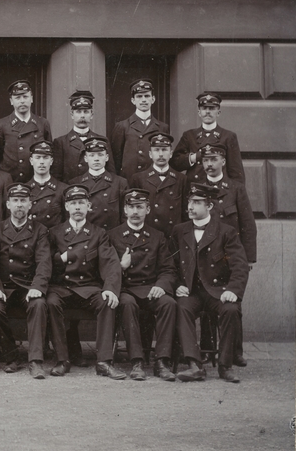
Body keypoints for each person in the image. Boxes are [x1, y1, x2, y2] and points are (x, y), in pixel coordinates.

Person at [171, 183, 251, 383]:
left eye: (197, 202)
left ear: (210, 206)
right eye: (190, 202)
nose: (190, 207)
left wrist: (233, 290)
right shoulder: (179, 231)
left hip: (217, 291)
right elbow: (168, 264)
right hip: (191, 292)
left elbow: (240, 266)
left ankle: (225, 366)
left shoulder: (226, 232)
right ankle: (194, 365)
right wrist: (176, 285)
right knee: (181, 308)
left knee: (231, 309)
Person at [45, 184, 124, 379]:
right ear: (66, 207)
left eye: (81, 203)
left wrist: (110, 288)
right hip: (62, 287)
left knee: (107, 302)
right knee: (51, 302)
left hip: (88, 288)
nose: (77, 207)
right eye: (73, 203)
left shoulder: (98, 233)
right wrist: (61, 258)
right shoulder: (54, 233)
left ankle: (104, 362)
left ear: (89, 206)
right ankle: (62, 359)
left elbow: (111, 263)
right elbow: (45, 263)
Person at [107, 188, 178, 382]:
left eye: (140, 207)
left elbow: (168, 269)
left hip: (151, 288)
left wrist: (161, 285)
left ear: (148, 209)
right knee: (127, 304)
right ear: (125, 210)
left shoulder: (157, 236)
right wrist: (121, 267)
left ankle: (162, 361)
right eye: (131, 207)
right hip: (126, 288)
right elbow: (105, 270)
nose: (135, 212)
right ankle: (136, 362)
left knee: (169, 303)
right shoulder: (113, 235)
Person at [198, 142, 257, 368]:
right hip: (206, 255)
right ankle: (206, 350)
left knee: (233, 303)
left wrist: (248, 258)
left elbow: (248, 224)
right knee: (206, 300)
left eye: (214, 160)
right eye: (206, 160)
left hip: (230, 256)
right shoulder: (198, 187)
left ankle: (235, 351)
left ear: (223, 161)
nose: (210, 165)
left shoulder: (235, 188)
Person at [0, 183, 53, 378]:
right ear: (8, 205)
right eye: (15, 201)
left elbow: (44, 262)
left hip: (27, 286)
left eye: (23, 201)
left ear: (30, 204)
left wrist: (38, 287)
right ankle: (11, 355)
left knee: (39, 304)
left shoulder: (39, 230)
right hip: (4, 287)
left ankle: (35, 361)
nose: (19, 205)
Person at [170, 92, 245, 183]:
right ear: (199, 112)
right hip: (194, 191)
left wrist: (236, 195)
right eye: (204, 108)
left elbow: (236, 173)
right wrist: (194, 157)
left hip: (220, 191)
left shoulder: (228, 136)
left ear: (218, 112)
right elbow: (174, 163)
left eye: (212, 108)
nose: (208, 112)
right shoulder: (189, 135)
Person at [0, 79, 52, 183]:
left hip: (35, 182)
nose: (22, 101)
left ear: (31, 98)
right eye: (17, 97)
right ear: (11, 101)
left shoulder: (42, 123)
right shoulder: (1, 125)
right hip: (10, 182)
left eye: (25, 96)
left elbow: (49, 155)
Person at [109, 79, 170, 181]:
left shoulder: (162, 127)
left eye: (147, 96)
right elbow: (115, 160)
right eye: (139, 96)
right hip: (129, 181)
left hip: (153, 181)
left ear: (153, 99)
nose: (143, 100)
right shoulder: (122, 126)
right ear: (133, 100)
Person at [129, 132, 186, 235]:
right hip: (148, 236)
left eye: (164, 150)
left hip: (173, 235)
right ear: (150, 154)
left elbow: (185, 213)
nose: (160, 154)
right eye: (156, 150)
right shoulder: (138, 178)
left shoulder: (181, 179)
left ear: (171, 153)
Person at [51, 89, 112, 182]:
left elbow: (111, 173)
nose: (82, 116)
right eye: (78, 112)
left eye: (86, 112)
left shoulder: (103, 141)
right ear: (72, 114)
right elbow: (56, 176)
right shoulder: (61, 142)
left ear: (92, 114)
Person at [69, 137, 128, 231]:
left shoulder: (120, 183)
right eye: (92, 155)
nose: (96, 159)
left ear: (107, 157)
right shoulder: (75, 183)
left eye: (100, 155)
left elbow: (125, 216)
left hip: (110, 235)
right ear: (86, 158)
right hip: (86, 237)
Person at [26, 139, 66, 230]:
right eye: (38, 157)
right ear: (31, 161)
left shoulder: (62, 189)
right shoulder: (25, 190)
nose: (41, 162)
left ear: (51, 161)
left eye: (45, 157)